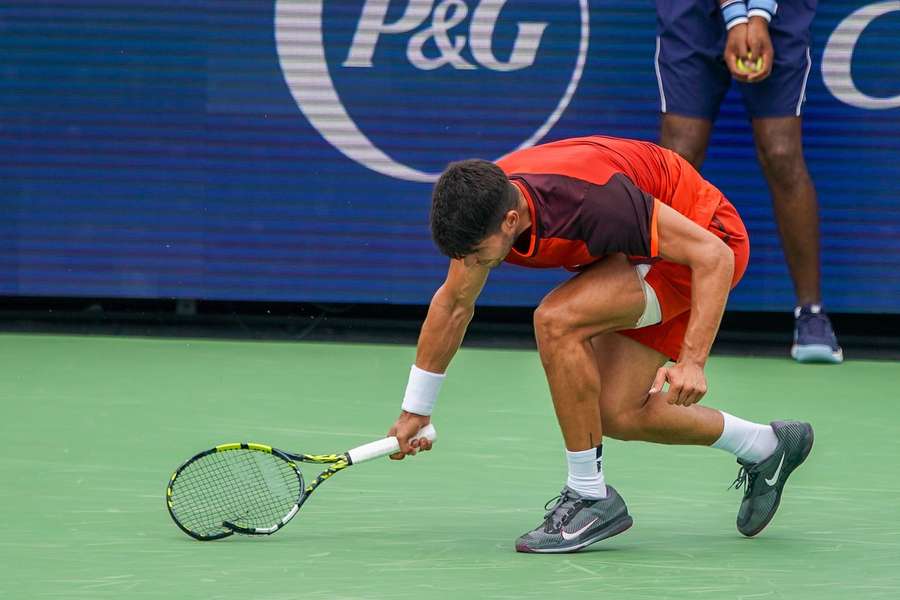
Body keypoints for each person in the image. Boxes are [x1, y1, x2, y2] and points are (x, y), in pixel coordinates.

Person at [386, 135, 814, 553]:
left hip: (705, 240)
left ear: (510, 222)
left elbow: (714, 256)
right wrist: (415, 411)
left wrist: (692, 362)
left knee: (557, 322)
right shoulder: (491, 208)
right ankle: (767, 446)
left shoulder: (588, 200)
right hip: (640, 252)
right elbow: (454, 305)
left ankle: (588, 496)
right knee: (616, 411)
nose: (472, 264)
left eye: (478, 254)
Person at [655, 0, 842, 363]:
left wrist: (757, 15)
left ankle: (811, 313)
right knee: (679, 154)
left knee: (781, 153)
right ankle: (651, 308)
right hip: (692, 12)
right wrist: (736, 16)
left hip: (781, 11)